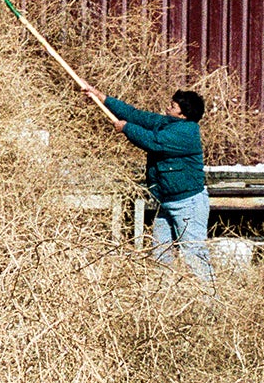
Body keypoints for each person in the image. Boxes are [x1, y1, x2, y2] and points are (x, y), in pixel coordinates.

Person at [86, 86, 211, 281]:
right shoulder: (167, 123)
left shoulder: (187, 133)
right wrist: (101, 97)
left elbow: (154, 141)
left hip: (188, 204)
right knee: (160, 254)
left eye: (172, 106)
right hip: (167, 201)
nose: (167, 108)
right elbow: (137, 115)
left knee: (194, 255)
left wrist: (126, 128)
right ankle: (163, 302)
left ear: (183, 114)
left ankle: (209, 305)